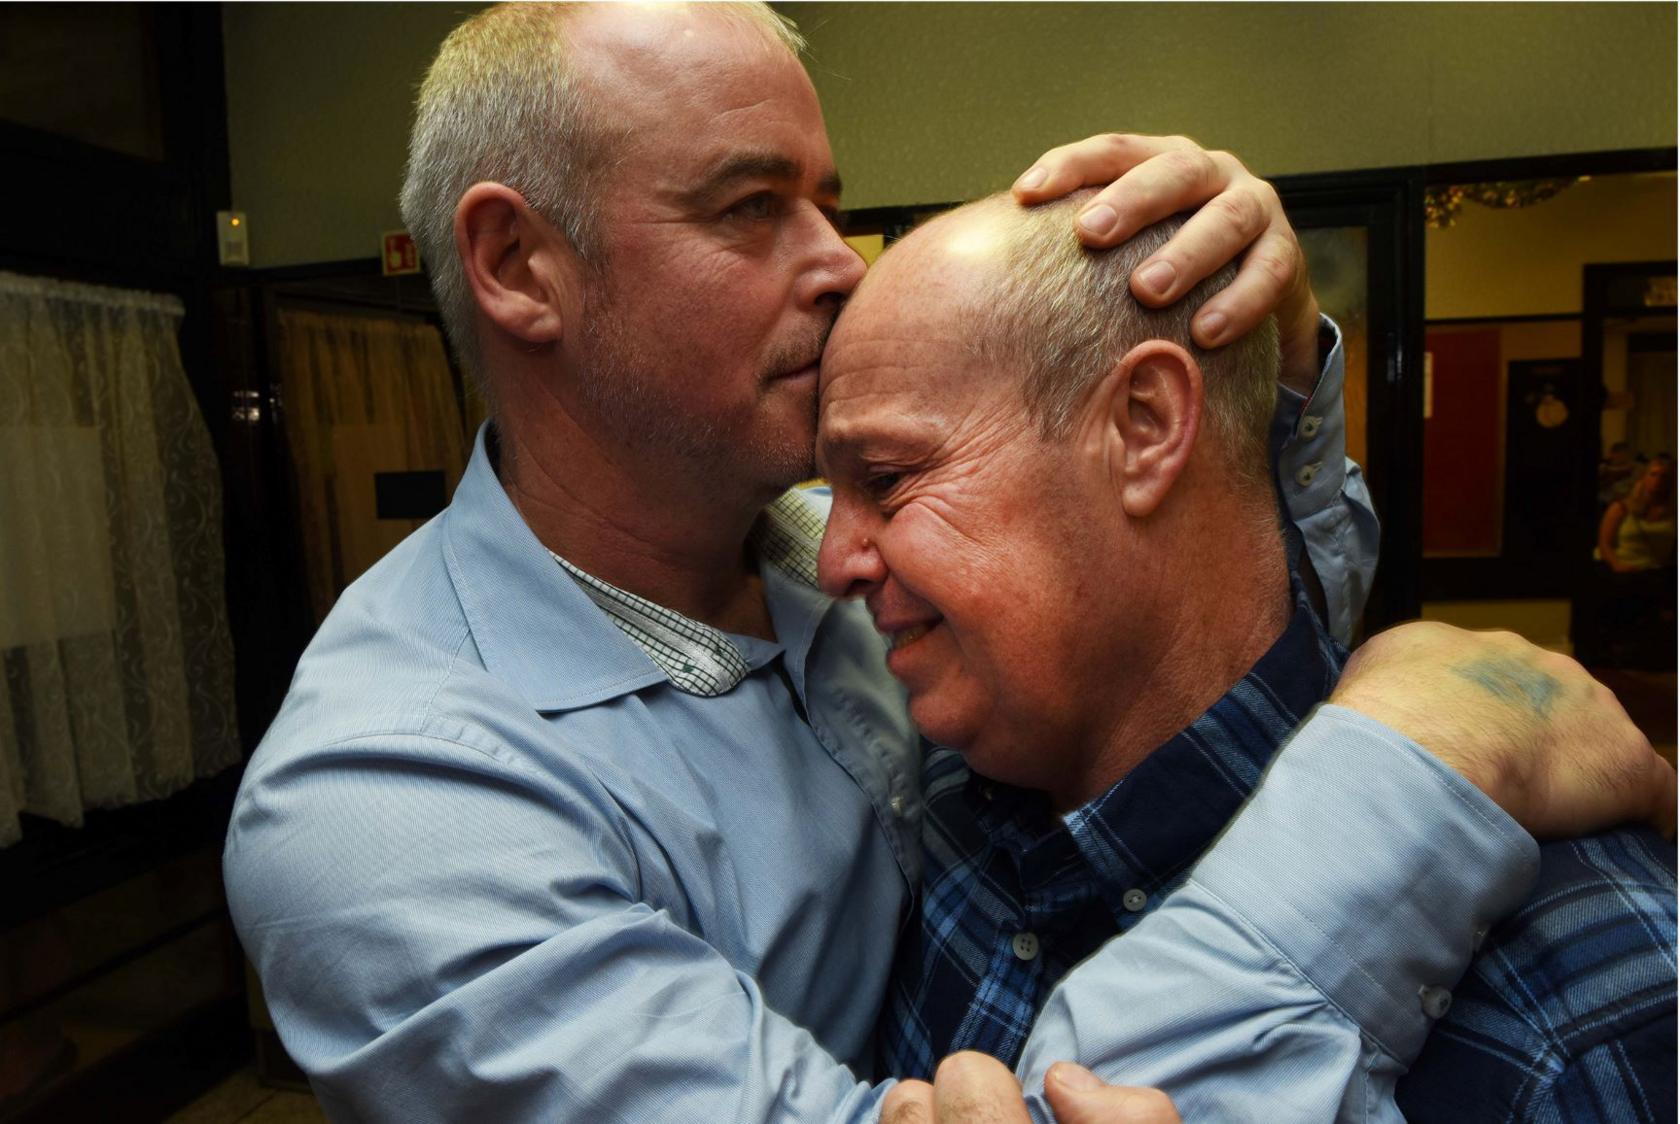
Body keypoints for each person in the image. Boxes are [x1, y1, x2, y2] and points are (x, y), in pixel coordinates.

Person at [223, 4, 1672, 1120]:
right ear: (521, 266)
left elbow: (1188, 670)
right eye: (748, 207)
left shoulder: (810, 554)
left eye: (823, 195)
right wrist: (1413, 763)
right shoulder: (381, 804)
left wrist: (1268, 372)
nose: (841, 259)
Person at [812, 192, 1678, 1122]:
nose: (833, 563)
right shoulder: (934, 800)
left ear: (1144, 426)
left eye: (890, 479)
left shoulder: (1576, 1013)